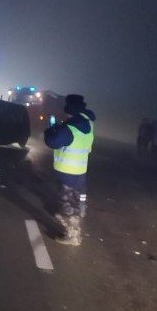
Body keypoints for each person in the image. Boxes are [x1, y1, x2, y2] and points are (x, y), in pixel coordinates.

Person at [44, 94, 95, 246]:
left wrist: (52, 128)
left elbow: (51, 142)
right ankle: (79, 214)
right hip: (80, 170)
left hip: (67, 173)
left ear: (69, 110)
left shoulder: (69, 129)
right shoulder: (88, 124)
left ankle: (73, 237)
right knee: (75, 201)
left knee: (67, 205)